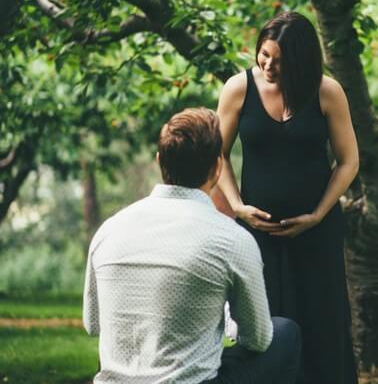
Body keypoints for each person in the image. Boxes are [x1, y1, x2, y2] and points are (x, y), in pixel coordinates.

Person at [83, 107, 301, 384]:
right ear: (217, 166)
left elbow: (93, 324)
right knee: (285, 333)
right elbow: (257, 340)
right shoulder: (231, 238)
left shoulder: (109, 230)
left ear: (159, 160)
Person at [213, 11, 360, 384]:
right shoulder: (238, 88)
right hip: (257, 234)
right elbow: (218, 154)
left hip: (317, 233)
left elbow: (348, 161)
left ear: (301, 60)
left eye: (278, 60)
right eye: (263, 55)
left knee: (322, 321)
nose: (267, 65)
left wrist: (317, 214)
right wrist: (238, 208)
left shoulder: (327, 91)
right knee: (264, 327)